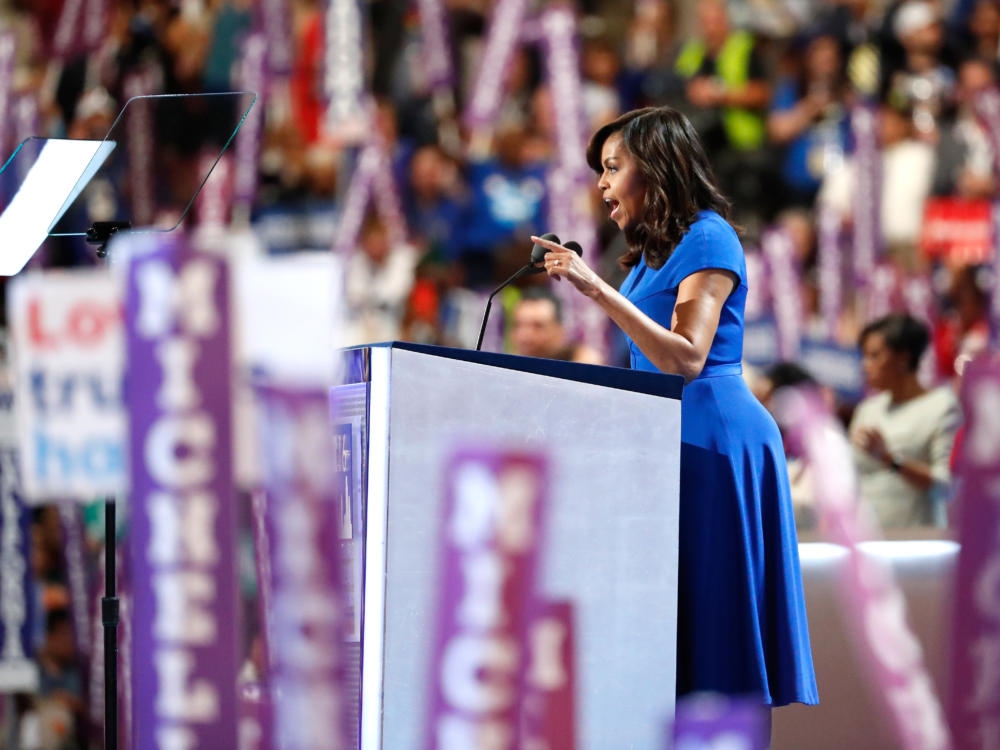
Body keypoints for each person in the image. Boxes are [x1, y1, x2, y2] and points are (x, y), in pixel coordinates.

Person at [530, 106, 818, 710]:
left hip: (715, 438)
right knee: (682, 633)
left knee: (723, 642)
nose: (602, 185)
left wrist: (594, 288)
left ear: (655, 165)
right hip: (667, 440)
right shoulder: (653, 251)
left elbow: (686, 357)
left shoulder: (709, 235)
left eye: (613, 168)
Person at [849, 313, 961, 528]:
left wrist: (891, 460)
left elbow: (945, 485)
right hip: (865, 541)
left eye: (874, 356)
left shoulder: (942, 407)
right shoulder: (867, 410)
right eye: (864, 356)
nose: (865, 365)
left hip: (915, 543)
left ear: (903, 358)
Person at [508, 287, 604, 364]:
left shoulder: (583, 364)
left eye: (538, 326)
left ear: (560, 330)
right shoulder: (506, 370)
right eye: (518, 325)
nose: (524, 336)